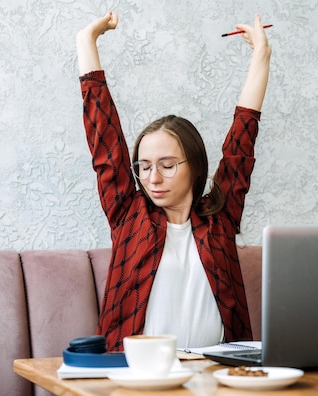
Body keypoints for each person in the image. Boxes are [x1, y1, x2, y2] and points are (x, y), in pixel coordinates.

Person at [76, 11, 271, 351]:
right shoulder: (128, 214)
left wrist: (261, 56)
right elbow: (104, 142)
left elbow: (242, 139)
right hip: (136, 375)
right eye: (144, 166)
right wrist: (86, 42)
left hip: (218, 375)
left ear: (194, 167)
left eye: (167, 165)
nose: (153, 178)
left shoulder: (219, 217)